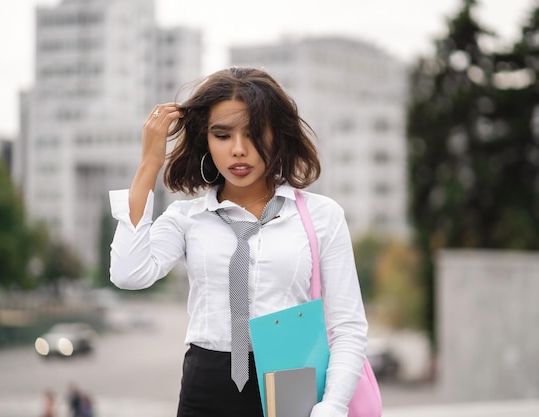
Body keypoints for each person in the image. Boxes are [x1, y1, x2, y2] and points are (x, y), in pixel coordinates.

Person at [109, 67, 368, 417]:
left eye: (254, 133)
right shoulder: (188, 218)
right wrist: (149, 163)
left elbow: (348, 326)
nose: (239, 150)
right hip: (206, 387)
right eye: (222, 135)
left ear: (278, 134)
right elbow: (129, 273)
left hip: (290, 379)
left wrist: (333, 407)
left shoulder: (322, 217)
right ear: (206, 140)